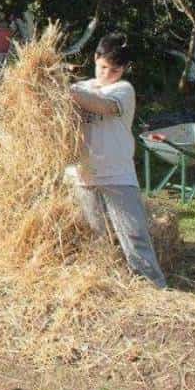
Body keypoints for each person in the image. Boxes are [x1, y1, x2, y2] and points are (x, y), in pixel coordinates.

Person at [66, 34, 167, 288]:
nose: (106, 74)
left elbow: (105, 107)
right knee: (96, 236)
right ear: (95, 59)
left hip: (116, 174)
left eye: (115, 70)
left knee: (134, 235)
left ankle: (155, 288)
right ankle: (110, 287)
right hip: (82, 176)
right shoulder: (82, 87)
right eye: (102, 67)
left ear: (124, 69)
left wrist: (65, 91)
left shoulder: (123, 90)